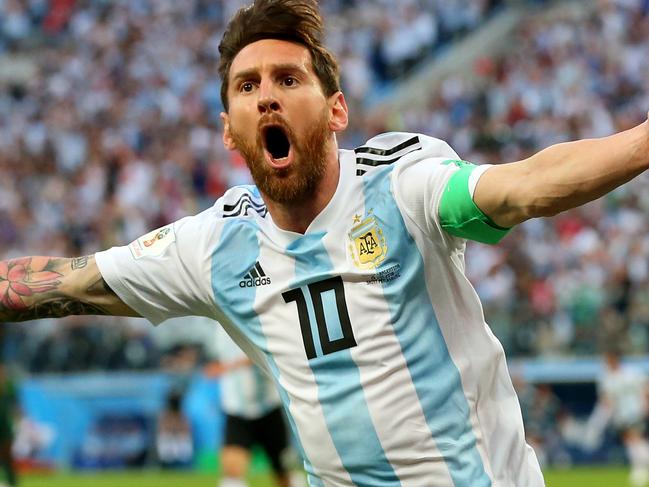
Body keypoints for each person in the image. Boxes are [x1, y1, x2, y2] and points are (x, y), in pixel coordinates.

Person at [0, 0, 648, 484]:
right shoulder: (214, 244)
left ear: (336, 109)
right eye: (247, 86)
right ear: (229, 131)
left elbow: (523, 186)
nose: (266, 98)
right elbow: (66, 283)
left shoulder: (401, 185)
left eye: (287, 78)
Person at [204, 327, 302, 487]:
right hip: (237, 410)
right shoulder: (218, 330)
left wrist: (229, 367)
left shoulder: (256, 320)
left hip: (269, 408)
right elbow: (214, 361)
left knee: (284, 474)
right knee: (232, 471)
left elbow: (268, 352)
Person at [592, 350, 649, 487]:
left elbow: (646, 388)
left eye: (608, 360)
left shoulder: (631, 373)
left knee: (634, 438)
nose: (607, 363)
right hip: (620, 415)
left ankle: (640, 468)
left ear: (615, 360)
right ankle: (639, 467)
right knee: (630, 440)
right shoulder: (607, 378)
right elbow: (606, 399)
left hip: (635, 411)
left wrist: (645, 404)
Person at [0, 363, 17, 487]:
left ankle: (11, 481)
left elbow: (14, 408)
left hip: (4, 427)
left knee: (7, 455)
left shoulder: (8, 391)